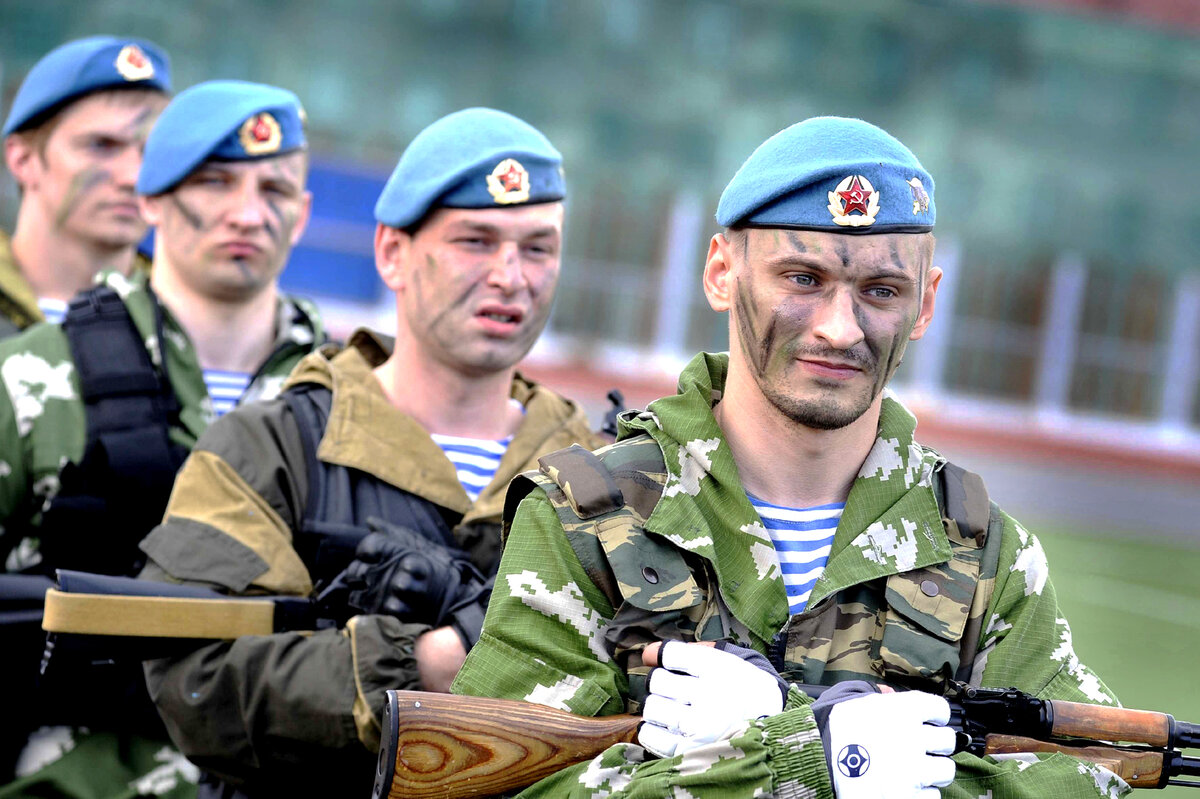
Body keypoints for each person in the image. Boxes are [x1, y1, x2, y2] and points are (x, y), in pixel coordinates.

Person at [453, 117, 1128, 799]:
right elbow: (498, 782)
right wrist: (799, 760)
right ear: (722, 272)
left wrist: (870, 768)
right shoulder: (586, 517)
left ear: (925, 303)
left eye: (881, 291)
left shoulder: (982, 552)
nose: (840, 328)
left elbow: (1091, 770)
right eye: (803, 279)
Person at [136, 107, 607, 797]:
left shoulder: (604, 471)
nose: (512, 276)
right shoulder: (275, 447)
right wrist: (425, 662)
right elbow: (196, 677)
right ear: (392, 252)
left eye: (537, 248)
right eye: (475, 241)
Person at [0, 79, 325, 798]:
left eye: (274, 189)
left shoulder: (353, 396)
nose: (248, 213)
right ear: (149, 198)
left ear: (302, 215)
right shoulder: (31, 376)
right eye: (214, 182)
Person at [1, 35, 170, 337]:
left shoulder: (186, 324)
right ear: (23, 159)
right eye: (101, 145)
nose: (134, 177)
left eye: (151, 152)